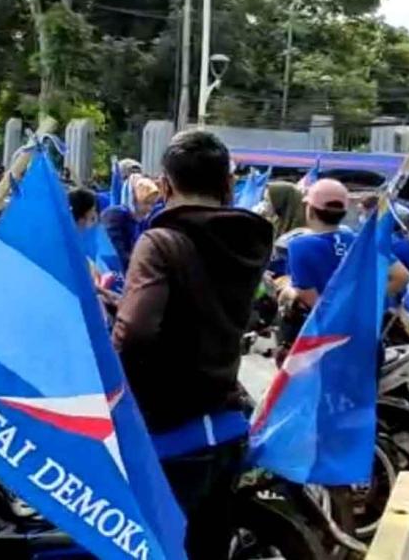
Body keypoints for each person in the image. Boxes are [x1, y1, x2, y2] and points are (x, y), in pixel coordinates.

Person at [112, 130, 273, 559]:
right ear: (228, 185)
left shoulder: (159, 242)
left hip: (168, 430)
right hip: (225, 423)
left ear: (165, 185)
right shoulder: (252, 241)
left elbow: (135, 332)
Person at [279, 179, 409, 309]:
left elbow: (309, 300)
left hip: (322, 327)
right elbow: (402, 276)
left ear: (311, 210)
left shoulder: (300, 246)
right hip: (363, 322)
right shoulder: (362, 240)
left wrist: (287, 290)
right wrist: (363, 300)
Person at [100, 175, 161, 263]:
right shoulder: (115, 215)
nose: (150, 208)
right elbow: (117, 252)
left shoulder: (141, 220)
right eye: (146, 203)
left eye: (152, 204)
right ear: (134, 199)